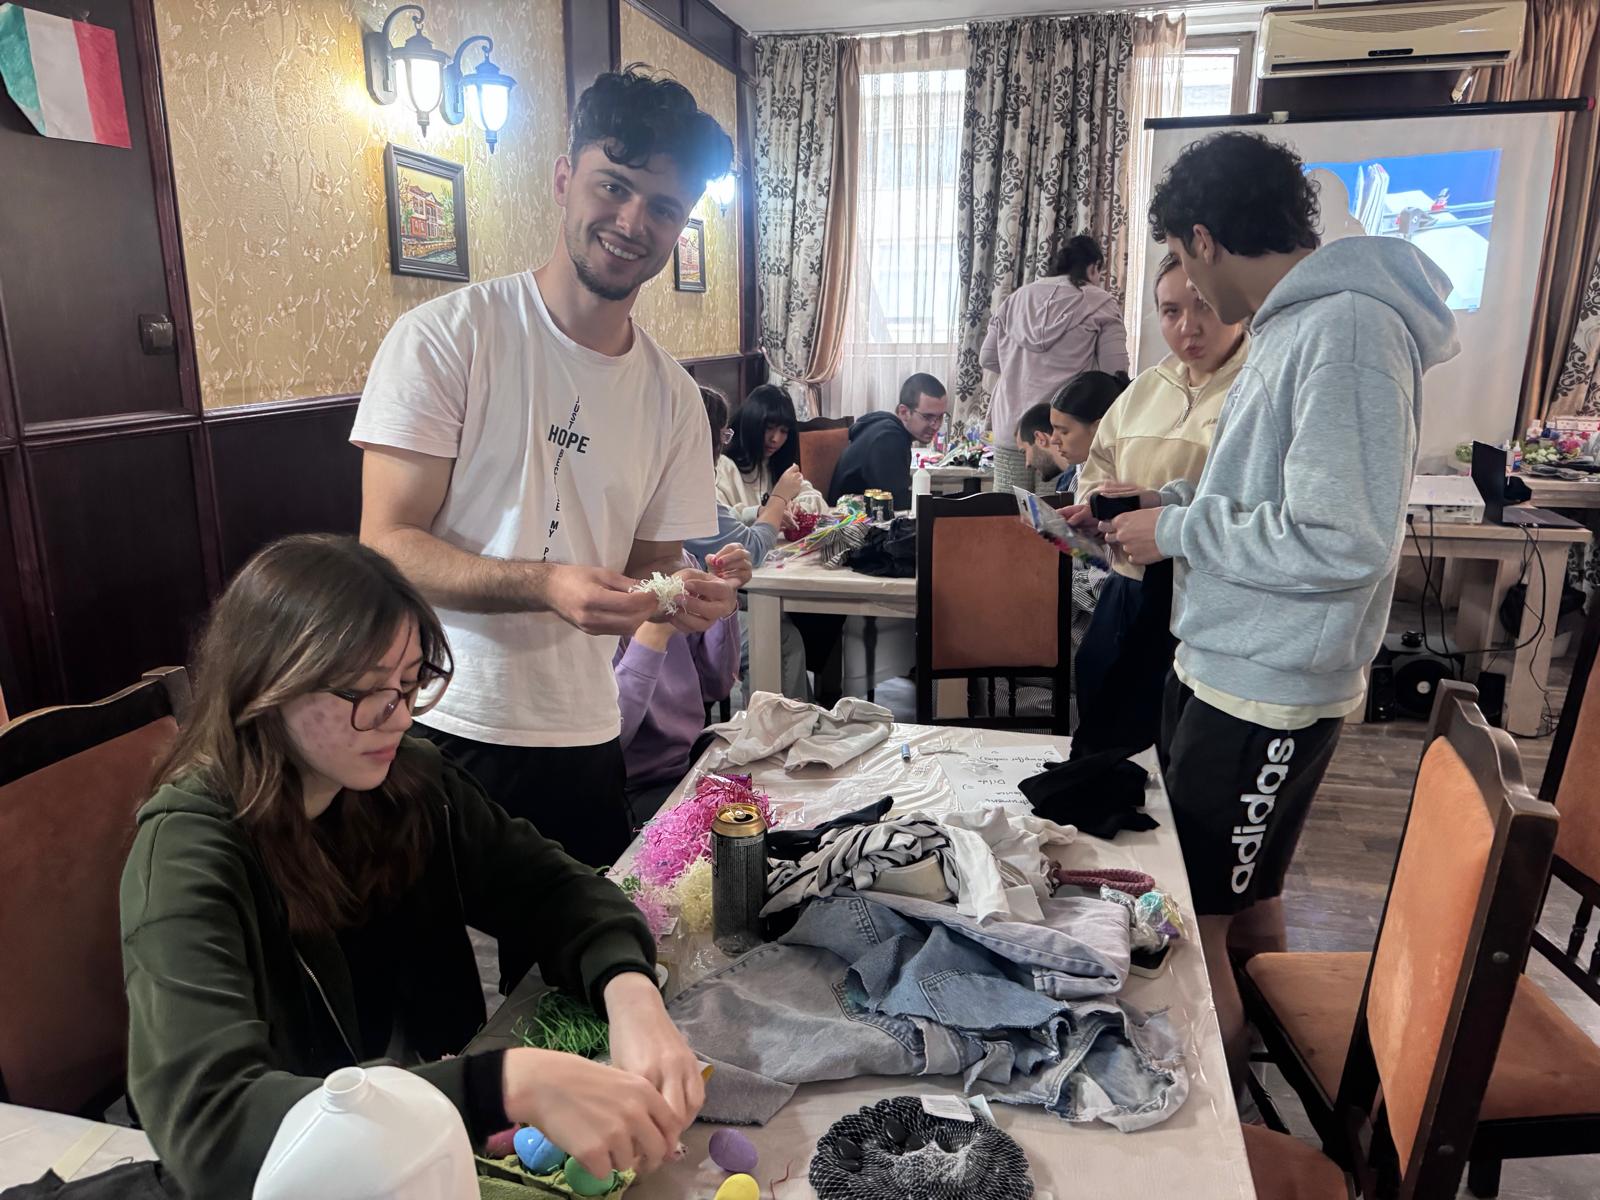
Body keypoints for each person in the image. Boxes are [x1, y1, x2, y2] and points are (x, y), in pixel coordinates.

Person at [121, 535, 704, 1200]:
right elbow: (213, 1127)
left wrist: (631, 995)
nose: (398, 717)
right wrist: (500, 1085)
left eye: (409, 683)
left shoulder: (405, 781)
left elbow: (552, 889)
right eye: (368, 691)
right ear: (269, 685)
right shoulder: (187, 852)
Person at [1103, 130, 1459, 1088]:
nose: (1185, 285)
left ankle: (1213, 1141)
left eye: (1180, 259)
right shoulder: (1297, 324)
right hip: (1230, 661)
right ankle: (1260, 1102)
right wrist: (1167, 508)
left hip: (1266, 684)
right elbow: (1263, 492)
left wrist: (1179, 531)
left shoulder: (1348, 331)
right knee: (1245, 906)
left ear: (1204, 240)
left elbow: (1343, 539)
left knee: (1198, 926)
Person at [352, 67, 746, 868]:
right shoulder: (447, 337)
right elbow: (385, 545)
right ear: (565, 180)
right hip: (437, 723)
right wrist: (546, 583)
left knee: (588, 948)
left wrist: (683, 596)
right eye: (614, 186)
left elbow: (650, 568)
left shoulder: (674, 397)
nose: (632, 222)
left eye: (663, 207)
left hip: (588, 736)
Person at [1065, 253, 1249, 759]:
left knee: (1177, 748)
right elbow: (1098, 465)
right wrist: (1095, 510)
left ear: (1234, 303)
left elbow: (1249, 501)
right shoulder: (1146, 388)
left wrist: (1165, 518)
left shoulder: (1256, 388)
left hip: (1204, 602)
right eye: (1171, 311)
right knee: (1101, 728)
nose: (1188, 326)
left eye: (1204, 305)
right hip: (1127, 586)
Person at [686, 386, 810, 702]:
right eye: (721, 437)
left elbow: (728, 518)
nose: (776, 439)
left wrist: (768, 508)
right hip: (680, 603)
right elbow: (750, 549)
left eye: (784, 431)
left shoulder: (665, 479)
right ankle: (776, 724)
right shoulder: (691, 488)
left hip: (692, 591)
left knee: (788, 625)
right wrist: (779, 498)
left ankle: (797, 715)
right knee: (779, 637)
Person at [981, 235, 1130, 494]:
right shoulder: (1101, 303)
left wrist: (1021, 370)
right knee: (1058, 512)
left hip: (1012, 429)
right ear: (1093, 267)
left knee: (1008, 511)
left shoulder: (1015, 300)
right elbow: (1115, 372)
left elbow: (987, 358)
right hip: (1063, 434)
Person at [827, 372, 950, 508]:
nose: (936, 425)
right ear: (904, 412)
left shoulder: (885, 428)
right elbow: (897, 503)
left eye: (940, 417)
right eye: (928, 417)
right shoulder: (888, 439)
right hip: (849, 518)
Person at [715, 384, 827, 521]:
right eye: (769, 428)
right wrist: (758, 513)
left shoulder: (776, 463)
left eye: (784, 431)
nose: (775, 439)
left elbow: (815, 498)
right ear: (751, 423)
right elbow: (719, 519)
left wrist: (800, 507)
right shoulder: (723, 467)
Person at [1046, 370, 1127, 496]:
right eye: (1053, 429)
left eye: (1064, 431)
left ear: (1100, 428)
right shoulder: (1071, 476)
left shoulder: (1123, 482)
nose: (1053, 440)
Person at [1014, 401, 1073, 494]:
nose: (1027, 464)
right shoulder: (1068, 480)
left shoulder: (1077, 480)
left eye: (1024, 451)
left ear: (1041, 439)